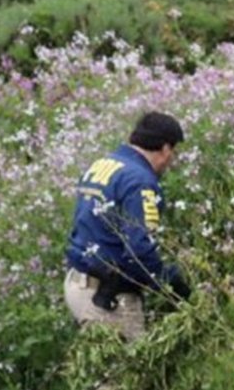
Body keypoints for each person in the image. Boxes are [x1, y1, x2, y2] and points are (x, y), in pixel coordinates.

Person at [64, 111, 191, 341]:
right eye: (173, 153)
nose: (171, 161)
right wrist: (171, 283)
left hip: (79, 283)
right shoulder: (140, 182)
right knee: (133, 362)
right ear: (165, 149)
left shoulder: (104, 165)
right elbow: (139, 250)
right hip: (107, 298)